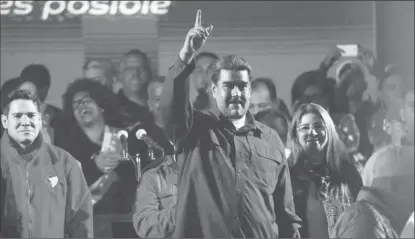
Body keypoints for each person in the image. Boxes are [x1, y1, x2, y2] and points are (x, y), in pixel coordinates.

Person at [159, 10, 301, 238]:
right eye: (228, 86)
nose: (236, 93)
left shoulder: (270, 138)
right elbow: (171, 110)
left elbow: (285, 214)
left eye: (242, 86)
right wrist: (185, 57)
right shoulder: (194, 129)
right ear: (214, 90)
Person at [0, 90, 93, 238]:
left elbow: (81, 221)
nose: (25, 122)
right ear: (5, 121)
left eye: (31, 115)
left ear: (39, 119)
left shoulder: (65, 163)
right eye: (17, 116)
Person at [55, 79, 137, 237]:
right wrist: (94, 166)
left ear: (101, 106)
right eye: (76, 105)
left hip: (124, 225)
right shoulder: (65, 148)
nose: (82, 106)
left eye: (87, 101)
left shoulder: (124, 138)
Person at [287, 103, 362, 238]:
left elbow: (361, 219)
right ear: (295, 134)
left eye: (318, 126)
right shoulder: (288, 175)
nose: (312, 132)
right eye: (305, 128)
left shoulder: (347, 172)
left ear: (329, 130)